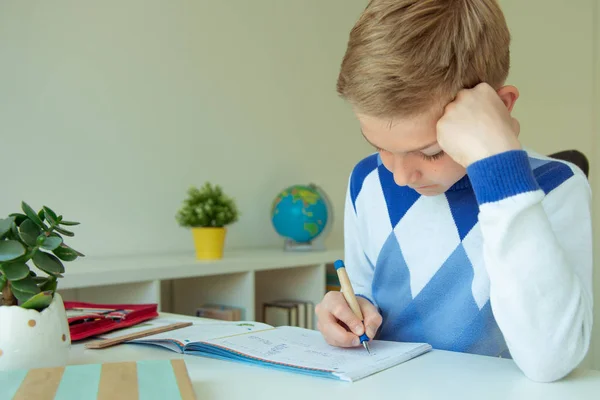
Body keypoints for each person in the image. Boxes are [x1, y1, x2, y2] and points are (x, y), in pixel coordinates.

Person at [315, 0, 593, 383]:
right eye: (378, 146)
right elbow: (365, 290)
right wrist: (350, 310)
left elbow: (551, 361)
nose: (398, 176)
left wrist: (499, 164)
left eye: (431, 152)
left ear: (498, 109)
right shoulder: (367, 180)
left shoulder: (558, 187)